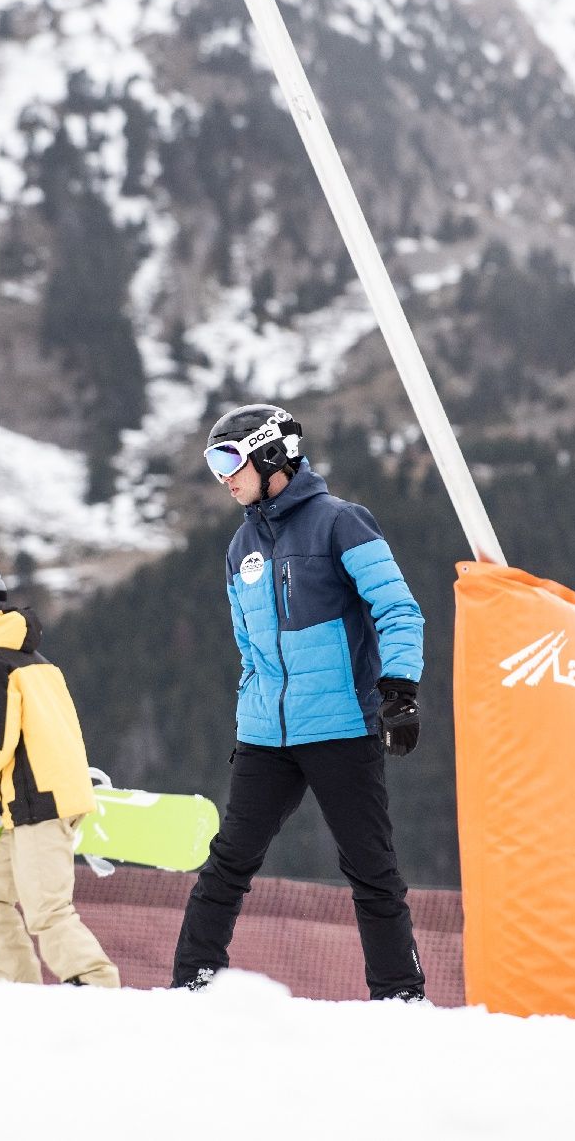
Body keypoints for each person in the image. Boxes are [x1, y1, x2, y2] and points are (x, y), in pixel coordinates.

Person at [173, 404, 427, 1001]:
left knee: (371, 870)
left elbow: (399, 610)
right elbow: (248, 650)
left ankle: (401, 998)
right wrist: (249, 716)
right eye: (213, 463)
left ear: (270, 455)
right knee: (229, 860)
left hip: (341, 727)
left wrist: (400, 692)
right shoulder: (241, 548)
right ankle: (190, 986)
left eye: (229, 460)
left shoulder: (342, 523)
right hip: (267, 737)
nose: (223, 478)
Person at [0, 561, 120, 988]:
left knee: (47, 911)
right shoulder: (30, 657)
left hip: (39, 803)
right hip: (38, 803)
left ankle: (96, 986)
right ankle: (17, 990)